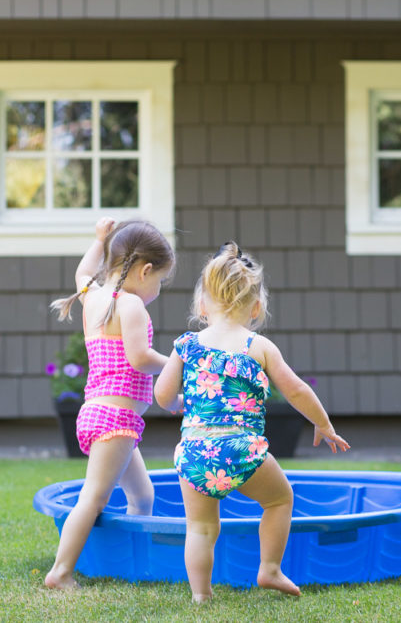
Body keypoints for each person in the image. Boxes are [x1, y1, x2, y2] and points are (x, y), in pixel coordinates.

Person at [154, 242, 350, 603]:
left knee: (200, 527)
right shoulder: (258, 347)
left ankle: (201, 595)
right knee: (279, 500)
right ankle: (269, 568)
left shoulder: (186, 345)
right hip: (242, 449)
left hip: (196, 450)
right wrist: (323, 425)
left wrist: (182, 401)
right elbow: (297, 390)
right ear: (256, 307)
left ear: (201, 305)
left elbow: (163, 396)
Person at [44, 217, 179, 590]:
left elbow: (83, 272)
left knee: (142, 494)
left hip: (101, 415)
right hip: (115, 419)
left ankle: (138, 564)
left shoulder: (96, 296)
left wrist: (99, 240)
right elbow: (139, 358)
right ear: (145, 269)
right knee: (94, 497)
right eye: (160, 281)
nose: (158, 289)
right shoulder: (130, 304)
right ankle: (60, 572)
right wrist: (178, 362)